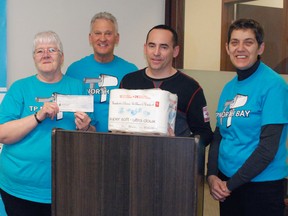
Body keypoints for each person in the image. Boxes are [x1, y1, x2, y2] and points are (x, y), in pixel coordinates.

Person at [0, 31, 95, 216]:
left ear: (62, 57)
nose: (46, 54)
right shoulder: (20, 88)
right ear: (34, 58)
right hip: (19, 188)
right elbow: (3, 134)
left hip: (65, 185)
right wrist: (38, 116)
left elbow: (90, 134)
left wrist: (86, 128)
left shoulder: (77, 87)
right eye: (39, 51)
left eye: (52, 49)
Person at [207, 18, 288, 216]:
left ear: (260, 48)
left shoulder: (274, 85)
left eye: (248, 42)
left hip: (261, 188)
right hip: (227, 183)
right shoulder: (229, 87)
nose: (240, 48)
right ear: (227, 48)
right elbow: (219, 136)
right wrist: (212, 176)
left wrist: (229, 185)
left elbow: (267, 150)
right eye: (234, 42)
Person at [120, 24, 213, 146]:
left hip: (173, 161)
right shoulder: (129, 81)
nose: (156, 52)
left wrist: (178, 143)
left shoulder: (190, 87)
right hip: (134, 159)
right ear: (145, 48)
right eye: (152, 46)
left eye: (164, 47)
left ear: (175, 51)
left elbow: (205, 134)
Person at [66, 12, 138, 132]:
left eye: (108, 34)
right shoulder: (74, 70)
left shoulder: (131, 71)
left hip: (121, 142)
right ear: (90, 38)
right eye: (97, 33)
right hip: (83, 141)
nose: (103, 38)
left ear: (117, 38)